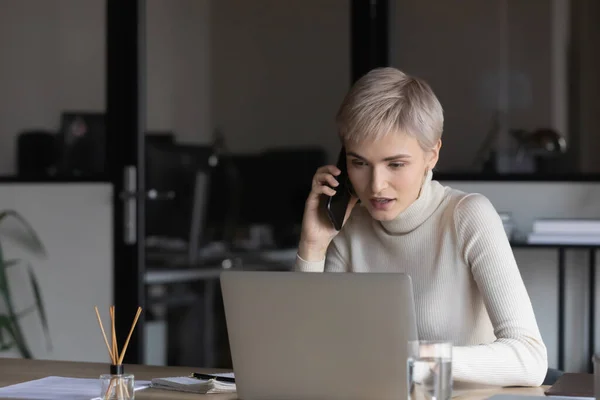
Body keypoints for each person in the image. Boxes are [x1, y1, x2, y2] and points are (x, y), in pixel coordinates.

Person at [295, 67, 548, 387]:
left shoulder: (468, 216)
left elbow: (530, 358)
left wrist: (417, 358)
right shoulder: (349, 225)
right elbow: (306, 356)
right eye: (359, 163)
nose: (376, 185)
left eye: (395, 164)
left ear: (432, 154)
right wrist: (313, 246)